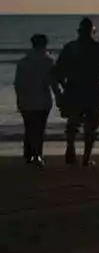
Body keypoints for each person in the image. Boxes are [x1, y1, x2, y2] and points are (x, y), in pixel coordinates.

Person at [53, 17, 99, 167]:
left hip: (74, 89)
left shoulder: (70, 47)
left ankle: (71, 149)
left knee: (73, 122)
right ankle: (86, 157)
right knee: (92, 125)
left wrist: (64, 86)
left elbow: (58, 71)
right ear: (92, 32)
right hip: (92, 89)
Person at [15, 34, 58, 167]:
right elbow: (53, 82)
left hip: (25, 100)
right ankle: (37, 154)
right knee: (39, 129)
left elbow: (18, 83)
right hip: (42, 100)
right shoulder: (48, 61)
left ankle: (29, 154)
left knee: (29, 128)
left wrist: (19, 98)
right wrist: (59, 95)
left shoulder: (23, 62)